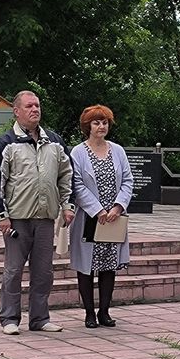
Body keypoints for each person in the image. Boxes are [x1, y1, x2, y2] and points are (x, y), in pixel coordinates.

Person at [0, 90, 75, 335]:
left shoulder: (55, 141)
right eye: (29, 106)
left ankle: (39, 319)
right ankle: (9, 319)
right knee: (13, 271)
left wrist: (68, 206)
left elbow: (67, 176)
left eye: (37, 105)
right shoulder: (6, 142)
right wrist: (1, 215)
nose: (35, 109)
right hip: (17, 220)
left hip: (46, 218)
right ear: (16, 111)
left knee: (44, 272)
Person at [69, 105, 133, 329]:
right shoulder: (78, 152)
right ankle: (89, 313)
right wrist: (97, 209)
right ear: (87, 126)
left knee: (108, 265)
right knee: (86, 267)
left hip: (113, 219)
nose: (101, 126)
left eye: (105, 122)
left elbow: (127, 181)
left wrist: (118, 206)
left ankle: (104, 311)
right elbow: (76, 184)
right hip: (90, 218)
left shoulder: (117, 150)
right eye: (96, 122)